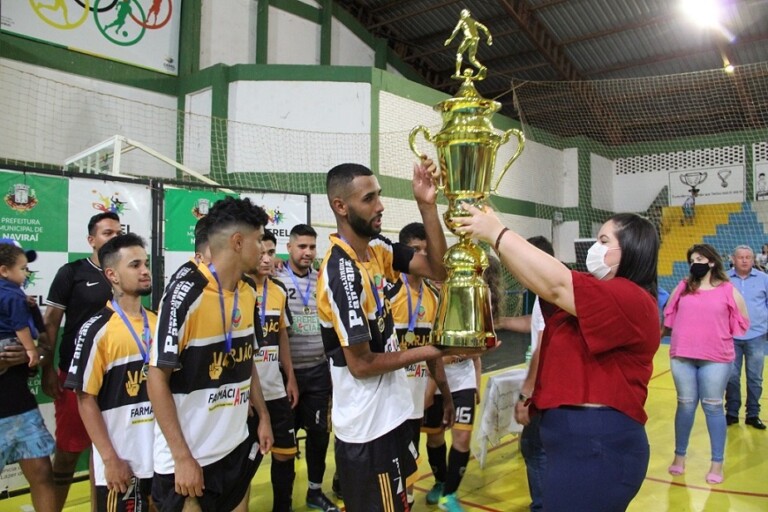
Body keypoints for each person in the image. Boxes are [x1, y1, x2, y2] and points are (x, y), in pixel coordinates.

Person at [456, 207, 661, 511]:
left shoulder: (630, 298)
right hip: (576, 443)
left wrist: (497, 232)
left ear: (628, 251)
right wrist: (496, 233)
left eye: (604, 241)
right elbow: (538, 279)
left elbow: (556, 283)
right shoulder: (595, 294)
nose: (594, 247)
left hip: (597, 446)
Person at [317, 160, 450, 512]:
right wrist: (432, 350)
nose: (380, 206)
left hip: (392, 415)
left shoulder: (378, 250)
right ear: (340, 206)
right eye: (369, 198)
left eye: (379, 195)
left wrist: (426, 206)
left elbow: (438, 269)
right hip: (367, 429)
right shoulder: (340, 272)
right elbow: (360, 365)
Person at [148, 197, 274, 512]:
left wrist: (263, 415)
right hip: (192, 459)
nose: (263, 249)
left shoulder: (247, 291)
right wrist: (182, 457)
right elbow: (155, 378)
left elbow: (247, 361)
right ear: (237, 241)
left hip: (233, 446)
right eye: (259, 241)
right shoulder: (184, 294)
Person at [64, 233, 157, 511]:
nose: (145, 271)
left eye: (146, 263)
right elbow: (85, 398)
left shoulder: (158, 321)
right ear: (112, 275)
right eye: (135, 265)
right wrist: (109, 459)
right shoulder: (96, 329)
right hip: (124, 461)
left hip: (162, 458)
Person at [43, 211, 122, 510]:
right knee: (67, 452)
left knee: (105, 457)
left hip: (115, 379)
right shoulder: (72, 272)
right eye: (107, 233)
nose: (114, 237)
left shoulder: (124, 272)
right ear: (92, 240)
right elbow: (51, 323)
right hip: (76, 378)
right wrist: (47, 370)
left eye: (118, 232)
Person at [663, 243, 749, 484]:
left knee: (712, 407)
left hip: (716, 358)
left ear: (711, 262)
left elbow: (743, 319)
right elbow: (668, 314)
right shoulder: (683, 287)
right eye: (691, 259)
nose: (694, 263)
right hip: (682, 356)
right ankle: (679, 457)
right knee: (686, 405)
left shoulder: (727, 290)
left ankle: (717, 463)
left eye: (699, 258)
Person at [385, 222, 453, 510]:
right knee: (392, 472)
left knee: (410, 469)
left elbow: (434, 355)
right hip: (389, 403)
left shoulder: (433, 297)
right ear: (403, 253)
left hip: (415, 402)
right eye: (416, 251)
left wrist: (446, 396)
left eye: (427, 250)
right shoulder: (387, 294)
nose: (423, 256)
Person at [273, 224, 340, 512]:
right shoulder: (275, 277)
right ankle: (282, 504)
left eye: (312, 247)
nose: (307, 252)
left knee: (318, 434)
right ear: (288, 248)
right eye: (301, 246)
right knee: (284, 447)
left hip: (317, 370)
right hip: (285, 375)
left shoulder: (322, 278)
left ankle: (314, 491)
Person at [0, 241, 57, 512]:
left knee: (43, 473)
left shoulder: (23, 302)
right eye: (22, 268)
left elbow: (45, 350)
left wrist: (30, 355)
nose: (26, 274)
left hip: (21, 408)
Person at [247, 229, 300, 512]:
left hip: (276, 389)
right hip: (245, 397)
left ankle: (283, 507)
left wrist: (290, 377)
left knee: (285, 455)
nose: (267, 259)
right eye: (261, 252)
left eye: (271, 253)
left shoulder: (278, 290)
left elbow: (281, 336)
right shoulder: (238, 290)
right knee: (243, 464)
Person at [512, 236, 556, 512]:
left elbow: (544, 345)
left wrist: (526, 395)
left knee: (534, 447)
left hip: (546, 386)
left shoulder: (548, 294)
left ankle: (542, 506)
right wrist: (502, 321)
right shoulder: (550, 292)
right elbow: (535, 324)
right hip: (557, 385)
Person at [726, 245, 768, 430]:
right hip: (730, 336)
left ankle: (753, 414)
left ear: (753, 259)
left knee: (755, 378)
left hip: (757, 335)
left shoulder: (764, 279)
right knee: (732, 377)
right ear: (733, 259)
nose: (744, 260)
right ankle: (732, 413)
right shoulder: (724, 279)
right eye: (741, 257)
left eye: (748, 257)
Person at [444, 8, 493, 79]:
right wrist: (489, 36)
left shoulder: (462, 21)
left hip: (468, 38)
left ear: (468, 14)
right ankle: (482, 67)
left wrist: (450, 39)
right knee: (472, 58)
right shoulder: (473, 21)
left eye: (463, 13)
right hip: (475, 39)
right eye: (461, 14)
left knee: (459, 54)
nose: (462, 15)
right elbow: (484, 28)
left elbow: (456, 30)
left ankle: (457, 72)